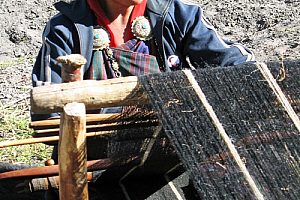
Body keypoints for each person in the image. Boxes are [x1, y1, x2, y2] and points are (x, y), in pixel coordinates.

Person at [30, 0, 255, 199]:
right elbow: (47, 115)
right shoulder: (65, 29)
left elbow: (239, 65)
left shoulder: (175, 15)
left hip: (170, 158)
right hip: (94, 167)